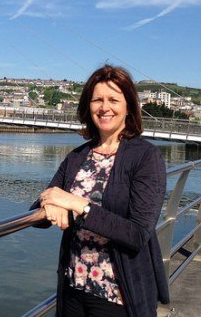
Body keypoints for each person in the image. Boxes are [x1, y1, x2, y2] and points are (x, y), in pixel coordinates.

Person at [32, 65, 169, 316]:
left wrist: (78, 205)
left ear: (129, 106)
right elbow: (39, 211)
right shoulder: (77, 157)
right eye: (97, 100)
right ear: (88, 107)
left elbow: (138, 233)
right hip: (73, 286)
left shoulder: (146, 157)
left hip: (118, 294)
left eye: (114, 99)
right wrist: (48, 204)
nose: (105, 107)